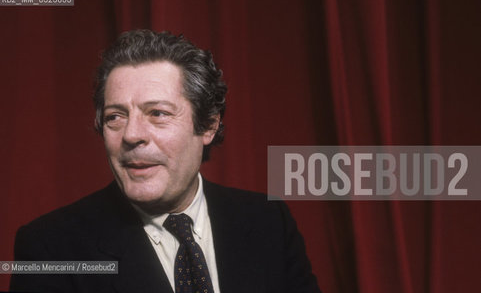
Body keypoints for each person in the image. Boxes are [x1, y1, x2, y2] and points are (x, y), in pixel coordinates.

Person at [10, 30, 321, 293]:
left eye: (157, 113)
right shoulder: (50, 247)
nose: (131, 134)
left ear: (208, 126)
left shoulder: (268, 220)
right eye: (115, 117)